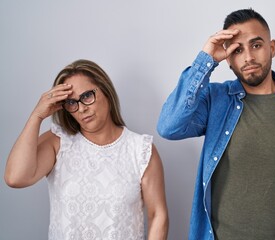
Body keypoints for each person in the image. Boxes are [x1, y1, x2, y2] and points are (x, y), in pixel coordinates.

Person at [157, 8, 275, 240]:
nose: (248, 57)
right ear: (228, 59)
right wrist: (206, 60)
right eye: (237, 50)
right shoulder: (216, 100)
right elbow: (168, 127)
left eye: (256, 45)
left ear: (272, 48)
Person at [4, 59, 169, 240]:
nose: (81, 108)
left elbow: (157, 216)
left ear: (105, 91)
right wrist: (37, 115)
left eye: (87, 96)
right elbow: (15, 178)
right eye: (72, 103)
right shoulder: (58, 143)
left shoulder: (141, 150)